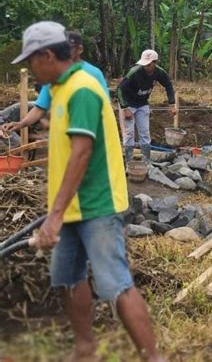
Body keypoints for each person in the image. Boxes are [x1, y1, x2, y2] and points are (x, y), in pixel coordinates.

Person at [11, 21, 164, 361]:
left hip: (97, 204)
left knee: (116, 285)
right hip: (70, 207)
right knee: (67, 278)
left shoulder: (81, 88)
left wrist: (52, 217)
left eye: (32, 61)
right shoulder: (61, 88)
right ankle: (84, 350)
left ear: (48, 55)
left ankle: (153, 358)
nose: (30, 69)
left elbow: (81, 154)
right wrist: (57, 212)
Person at [2, 31, 109, 135]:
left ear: (79, 49)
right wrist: (21, 124)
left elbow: (103, 106)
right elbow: (40, 108)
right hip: (61, 135)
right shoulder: (54, 75)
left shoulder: (94, 73)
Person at [118, 49, 175, 163]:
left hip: (142, 104)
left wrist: (172, 104)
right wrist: (125, 108)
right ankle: (129, 161)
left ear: (155, 62)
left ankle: (146, 161)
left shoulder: (159, 72)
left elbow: (168, 85)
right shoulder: (134, 72)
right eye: (144, 64)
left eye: (149, 64)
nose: (146, 67)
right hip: (128, 104)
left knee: (144, 133)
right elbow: (119, 89)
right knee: (129, 134)